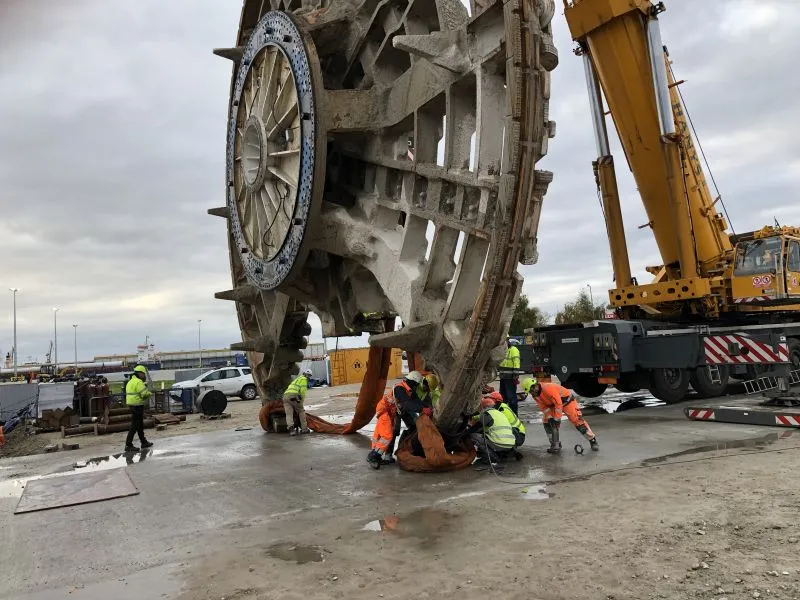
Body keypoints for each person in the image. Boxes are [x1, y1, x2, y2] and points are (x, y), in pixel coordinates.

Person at [521, 378, 599, 453]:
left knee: (576, 420)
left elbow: (558, 404)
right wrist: (550, 417)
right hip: (553, 405)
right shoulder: (535, 395)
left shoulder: (548, 388)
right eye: (530, 392)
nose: (532, 393)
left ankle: (592, 440)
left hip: (567, 401)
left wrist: (557, 419)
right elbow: (543, 407)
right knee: (547, 421)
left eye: (532, 390)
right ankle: (555, 444)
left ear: (535, 385)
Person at [466, 396, 518, 463]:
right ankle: (503, 453)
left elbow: (475, 428)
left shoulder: (487, 414)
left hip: (500, 444)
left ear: (483, 407)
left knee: (473, 435)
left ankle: (493, 457)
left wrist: (464, 432)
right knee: (488, 435)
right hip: (511, 444)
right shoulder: (500, 413)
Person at [367, 388, 399, 469]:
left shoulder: (400, 388)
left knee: (378, 434)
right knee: (387, 436)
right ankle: (373, 456)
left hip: (384, 411)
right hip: (385, 412)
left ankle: (376, 456)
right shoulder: (402, 390)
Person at [125, 365, 153, 452]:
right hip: (137, 406)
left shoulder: (130, 381)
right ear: (140, 373)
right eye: (143, 374)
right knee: (134, 426)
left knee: (139, 425)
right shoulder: (138, 382)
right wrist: (150, 393)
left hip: (132, 405)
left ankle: (143, 442)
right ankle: (128, 444)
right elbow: (144, 394)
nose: (144, 376)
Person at [283, 369, 314, 436]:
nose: (309, 377)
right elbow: (302, 392)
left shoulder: (297, 379)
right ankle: (304, 429)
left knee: (289, 414)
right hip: (294, 396)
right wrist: (301, 402)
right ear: (306, 375)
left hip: (285, 396)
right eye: (309, 376)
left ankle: (291, 430)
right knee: (301, 411)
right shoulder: (304, 379)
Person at [498, 338, 521, 414]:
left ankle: (514, 414)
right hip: (503, 377)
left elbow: (516, 363)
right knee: (502, 397)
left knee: (511, 398)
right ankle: (504, 414)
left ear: (507, 341)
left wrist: (515, 376)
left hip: (510, 378)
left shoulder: (513, 350)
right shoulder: (503, 350)